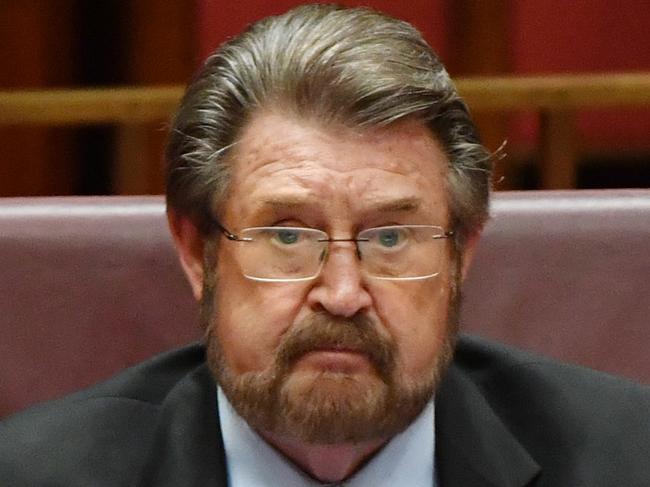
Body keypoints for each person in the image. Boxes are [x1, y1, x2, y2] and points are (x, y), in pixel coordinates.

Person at [1, 4, 649, 486]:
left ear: (460, 257)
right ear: (198, 252)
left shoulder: (628, 459)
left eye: (391, 236)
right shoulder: (35, 474)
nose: (342, 293)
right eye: (287, 233)